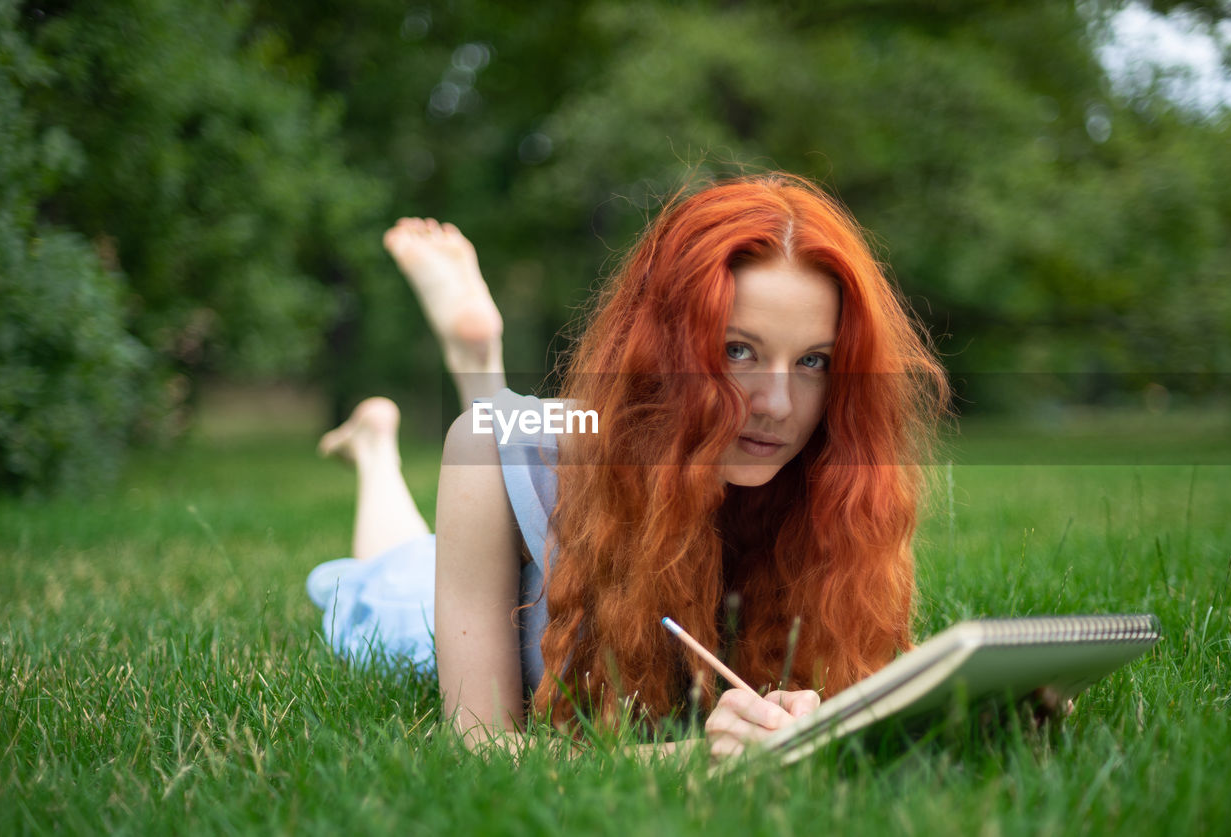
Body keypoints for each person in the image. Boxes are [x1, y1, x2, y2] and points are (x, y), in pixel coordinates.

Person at [308, 174, 949, 759]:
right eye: (737, 351)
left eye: (814, 361)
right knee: (393, 578)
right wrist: (691, 759)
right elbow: (480, 747)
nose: (779, 406)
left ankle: (451, 392)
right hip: (458, 566)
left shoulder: (841, 480)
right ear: (661, 350)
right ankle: (381, 445)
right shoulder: (537, 443)